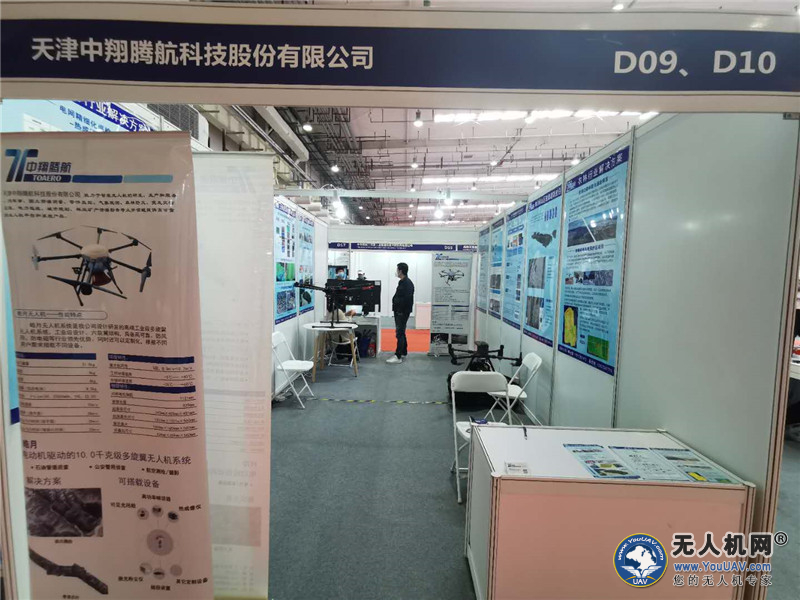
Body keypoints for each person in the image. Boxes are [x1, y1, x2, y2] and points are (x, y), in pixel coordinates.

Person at [387, 262, 414, 364]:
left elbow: (407, 299)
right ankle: (403, 351)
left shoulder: (407, 283)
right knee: (401, 332)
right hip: (399, 311)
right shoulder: (402, 282)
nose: (396, 272)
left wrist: (400, 311)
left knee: (400, 333)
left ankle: (398, 356)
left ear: (401, 271)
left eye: (397, 270)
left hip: (402, 312)